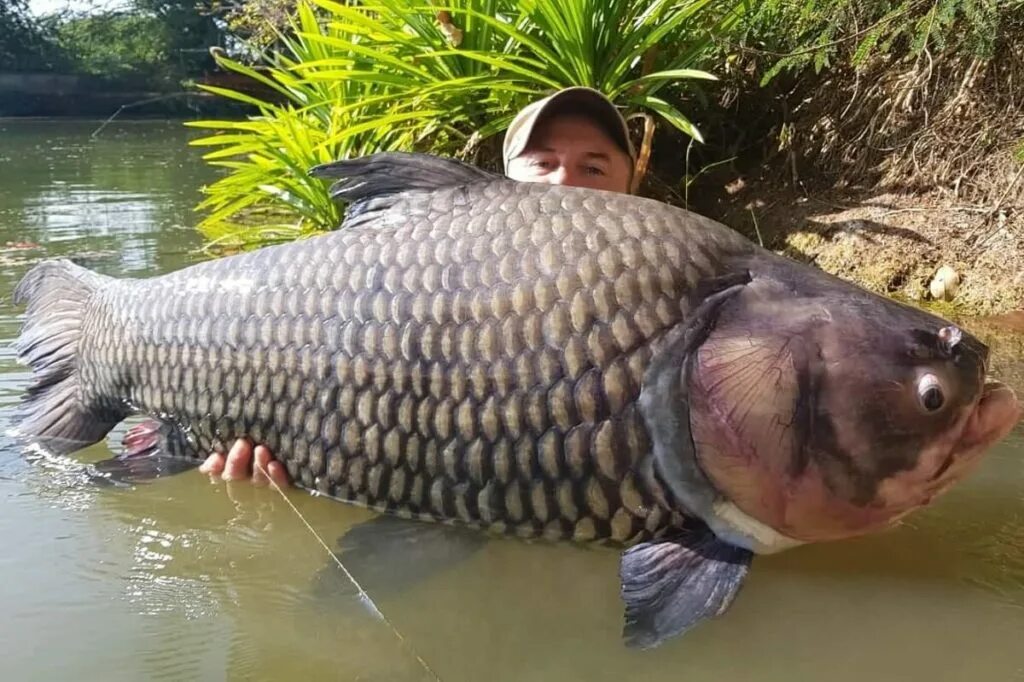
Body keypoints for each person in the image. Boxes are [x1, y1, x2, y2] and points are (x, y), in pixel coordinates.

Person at [198, 86, 637, 488]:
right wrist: (287, 461)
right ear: (505, 183)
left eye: (593, 167)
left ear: (631, 185)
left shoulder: (673, 288)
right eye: (543, 164)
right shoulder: (409, 283)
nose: (564, 183)